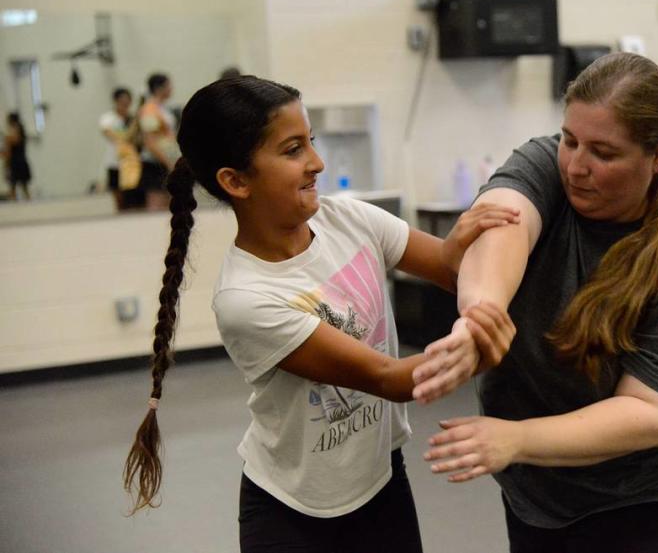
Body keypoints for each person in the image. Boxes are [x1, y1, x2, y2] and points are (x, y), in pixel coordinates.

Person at [122, 75, 518, 553]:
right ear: (235, 181)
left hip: (381, 481)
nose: (317, 162)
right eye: (292, 150)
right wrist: (480, 337)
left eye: (310, 141)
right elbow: (389, 378)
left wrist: (464, 246)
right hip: (294, 516)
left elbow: (446, 267)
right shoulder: (246, 298)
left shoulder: (347, 219)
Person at [420, 53, 658, 553]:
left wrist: (516, 440)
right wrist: (480, 316)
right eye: (571, 140)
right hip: (546, 491)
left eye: (604, 153)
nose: (577, 167)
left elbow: (654, 415)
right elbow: (502, 224)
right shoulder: (546, 165)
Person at [136, 73, 180, 211]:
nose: (171, 88)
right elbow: (150, 142)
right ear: (159, 88)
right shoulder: (149, 110)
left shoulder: (164, 108)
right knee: (156, 206)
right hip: (155, 162)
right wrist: (168, 163)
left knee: (169, 205)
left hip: (167, 160)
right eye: (169, 85)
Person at [98, 87, 138, 210]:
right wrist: (132, 129)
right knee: (118, 197)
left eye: (128, 100)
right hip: (115, 162)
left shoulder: (133, 118)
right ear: (116, 101)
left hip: (132, 164)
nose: (125, 103)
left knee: (133, 198)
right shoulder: (108, 118)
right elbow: (114, 137)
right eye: (122, 100)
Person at [3, 112, 31, 201]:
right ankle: (15, 200)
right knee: (14, 185)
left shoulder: (17, 130)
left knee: (21, 185)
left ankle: (23, 199)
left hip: (17, 161)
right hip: (17, 161)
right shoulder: (16, 131)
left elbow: (11, 146)